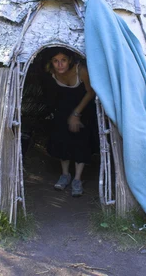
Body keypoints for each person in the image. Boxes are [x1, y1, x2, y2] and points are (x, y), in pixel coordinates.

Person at [41, 47, 97, 197]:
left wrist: (76, 114)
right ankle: (65, 175)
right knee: (61, 138)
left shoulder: (81, 71)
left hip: (83, 108)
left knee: (80, 139)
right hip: (64, 108)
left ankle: (77, 179)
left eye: (63, 60)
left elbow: (90, 92)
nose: (60, 65)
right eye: (56, 61)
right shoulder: (52, 73)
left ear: (70, 60)